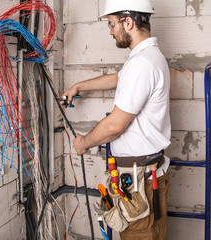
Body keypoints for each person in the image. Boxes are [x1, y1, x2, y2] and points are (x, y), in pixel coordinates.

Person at [62, 0, 171, 239]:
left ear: (128, 22)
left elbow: (114, 126)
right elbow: (118, 78)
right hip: (144, 172)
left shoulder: (142, 64)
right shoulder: (146, 58)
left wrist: (84, 143)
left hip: (139, 178)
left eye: (112, 24)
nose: (111, 31)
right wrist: (79, 86)